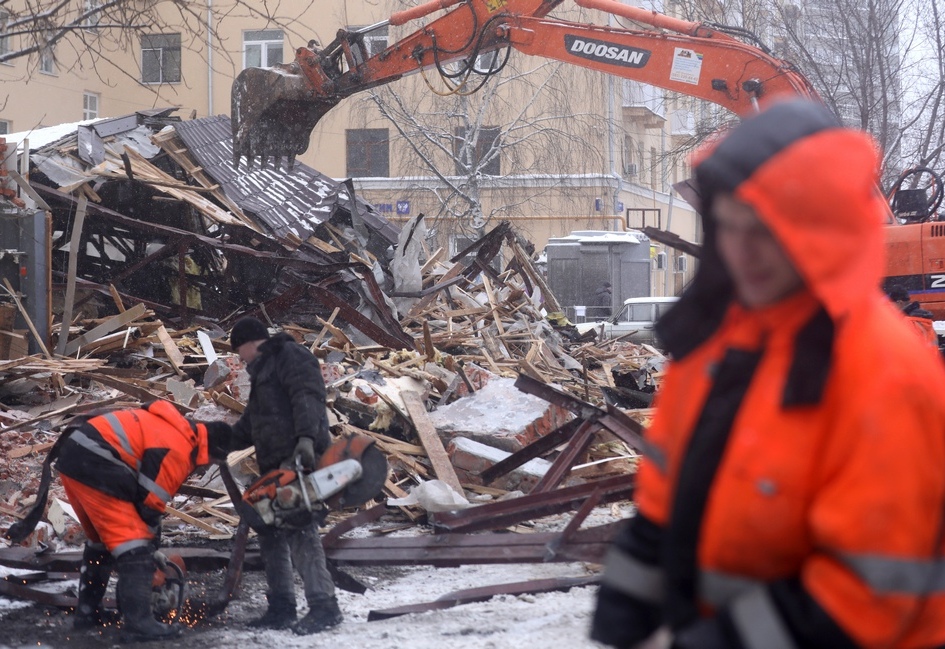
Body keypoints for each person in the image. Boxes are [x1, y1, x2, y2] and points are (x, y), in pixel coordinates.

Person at [590, 100, 945, 648]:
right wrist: (624, 606)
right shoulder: (717, 345)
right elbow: (667, 489)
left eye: (765, 231)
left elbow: (868, 589)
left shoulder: (884, 372)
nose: (742, 250)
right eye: (730, 226)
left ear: (822, 231)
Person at [6, 401, 230, 640]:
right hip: (97, 463)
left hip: (76, 459)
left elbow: (141, 496)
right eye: (212, 462)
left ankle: (88, 613)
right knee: (136, 549)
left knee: (101, 544)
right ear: (211, 452)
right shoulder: (181, 450)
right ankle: (139, 623)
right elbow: (149, 506)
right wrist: (149, 550)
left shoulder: (175, 429)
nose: (205, 467)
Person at [220, 316, 341, 635]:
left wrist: (305, 441)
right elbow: (252, 424)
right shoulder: (263, 372)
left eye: (238, 352)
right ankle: (282, 607)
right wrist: (218, 443)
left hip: (299, 459)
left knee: (301, 530)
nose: (239, 359)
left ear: (247, 343)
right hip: (274, 465)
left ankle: (324, 606)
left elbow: (308, 398)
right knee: (269, 532)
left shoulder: (290, 356)